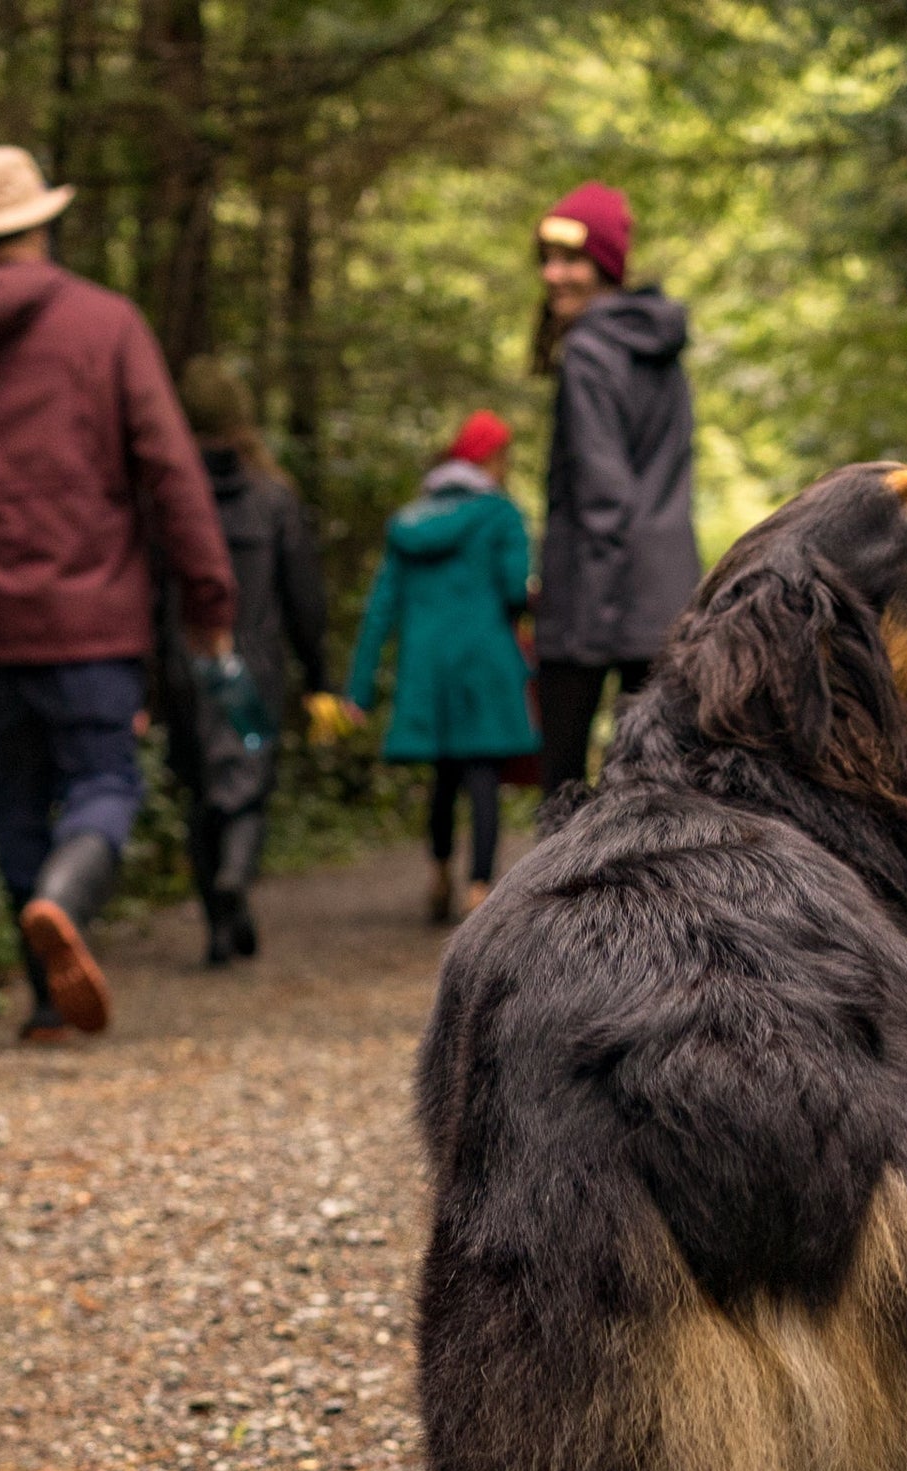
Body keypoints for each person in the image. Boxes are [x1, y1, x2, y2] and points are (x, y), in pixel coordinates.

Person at [0, 144, 235, 1041]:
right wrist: (209, 597)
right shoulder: (103, 323)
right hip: (90, 608)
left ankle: (46, 1001)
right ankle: (63, 901)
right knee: (103, 782)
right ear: (40, 224)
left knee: (16, 794)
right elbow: (169, 468)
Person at [153, 356, 329, 968]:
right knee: (247, 789)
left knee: (201, 791)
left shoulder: (167, 499)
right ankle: (235, 877)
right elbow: (304, 596)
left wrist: (142, 687)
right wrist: (319, 677)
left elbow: (150, 593)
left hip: (184, 662)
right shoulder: (272, 497)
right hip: (252, 662)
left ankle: (218, 929)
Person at [527, 181, 699, 800]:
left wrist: (580, 630)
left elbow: (604, 501)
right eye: (547, 259)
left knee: (565, 802)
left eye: (571, 260)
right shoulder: (658, 347)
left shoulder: (590, 353)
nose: (553, 274)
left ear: (603, 265)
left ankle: (564, 900)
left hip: (593, 602)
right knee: (657, 795)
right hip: (665, 603)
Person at [344, 411, 537, 924]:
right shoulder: (501, 515)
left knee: (445, 777)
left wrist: (357, 690)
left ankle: (438, 873)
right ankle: (479, 887)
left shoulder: (411, 522)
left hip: (428, 670)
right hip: (484, 664)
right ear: (493, 458)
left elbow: (380, 606)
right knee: (482, 775)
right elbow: (515, 588)